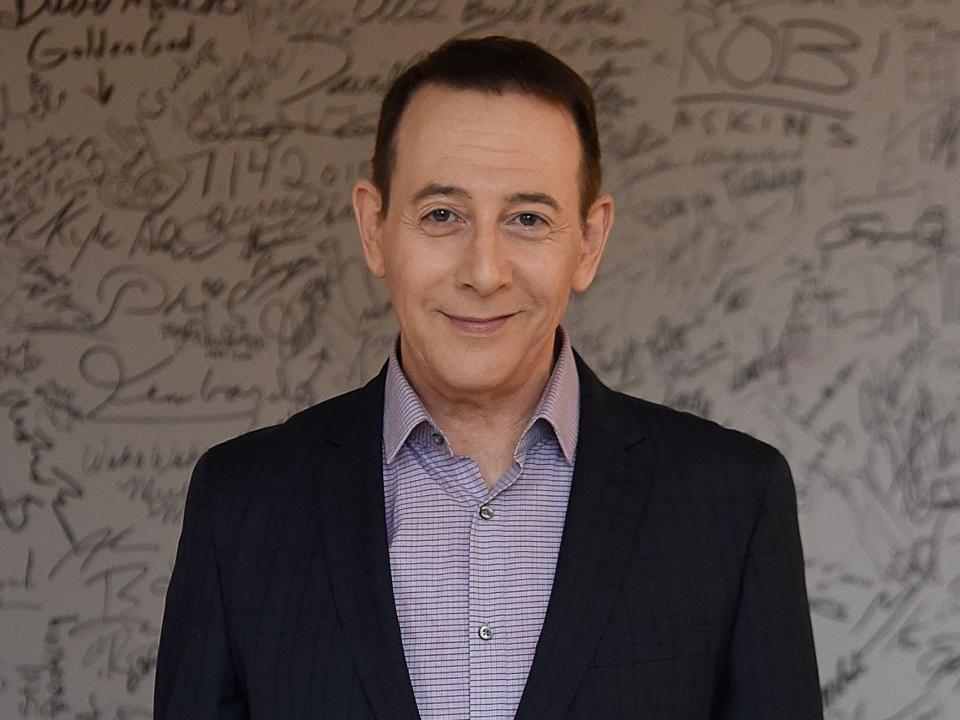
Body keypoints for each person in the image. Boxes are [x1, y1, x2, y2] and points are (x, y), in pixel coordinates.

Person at [154, 35, 823, 720]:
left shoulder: (732, 502)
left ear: (588, 244)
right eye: (442, 214)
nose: (484, 271)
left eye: (527, 219)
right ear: (374, 227)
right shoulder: (242, 505)